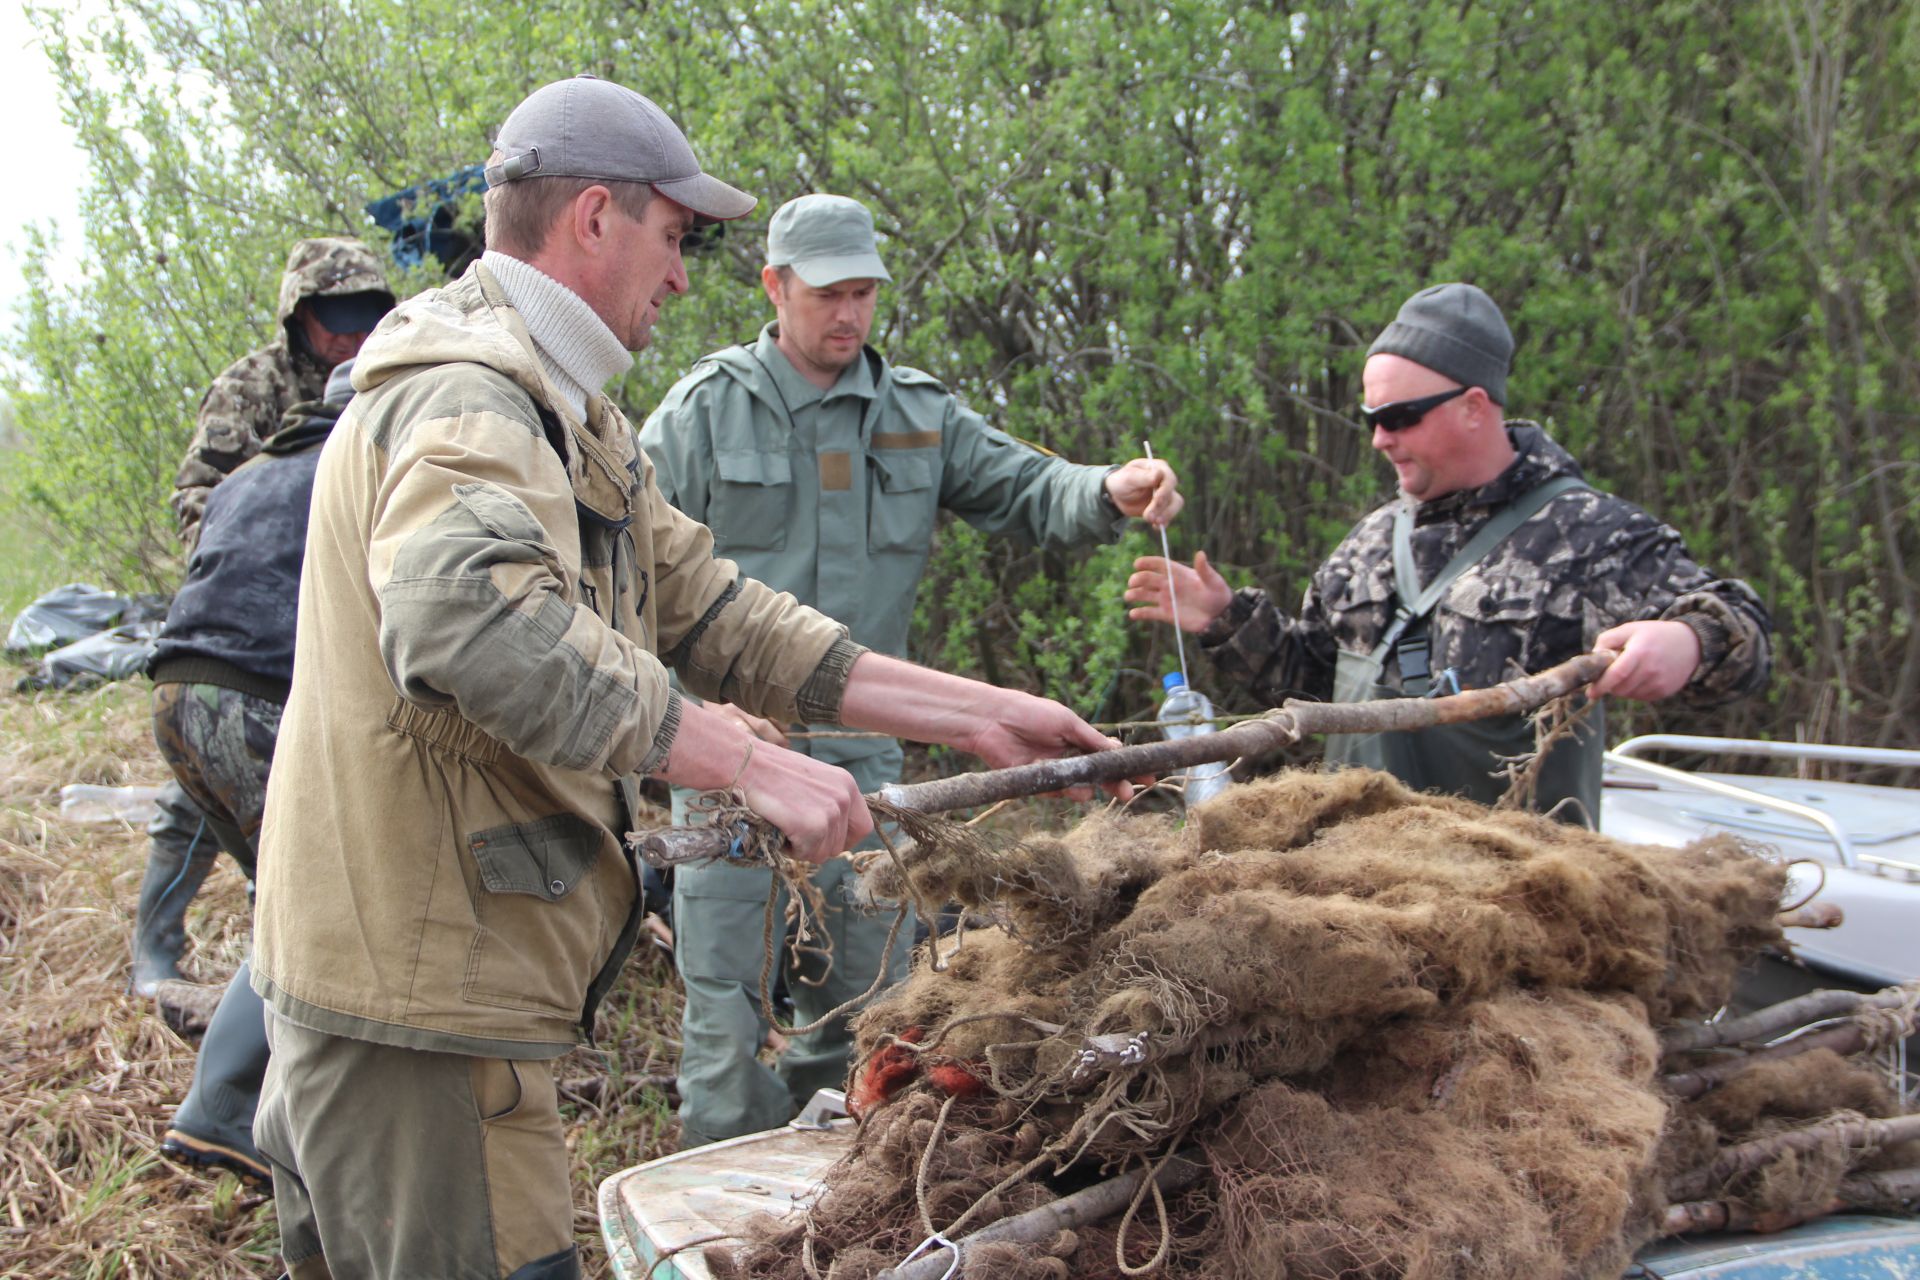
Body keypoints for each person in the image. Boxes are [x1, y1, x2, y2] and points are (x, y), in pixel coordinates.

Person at [248, 77, 1129, 1280]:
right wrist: (745, 758)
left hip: (432, 988)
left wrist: (980, 713)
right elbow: (471, 615)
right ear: (594, 217)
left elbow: (719, 612)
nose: (679, 275)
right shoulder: (472, 389)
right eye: (673, 237)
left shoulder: (569, 412)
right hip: (417, 995)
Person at [639, 192, 1183, 1149]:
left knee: (864, 1024)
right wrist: (687, 724)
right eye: (826, 294)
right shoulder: (701, 413)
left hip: (867, 779)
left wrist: (1108, 489)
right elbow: (629, 577)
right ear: (774, 287)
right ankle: (720, 1219)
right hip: (732, 771)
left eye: (863, 293)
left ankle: (834, 1217)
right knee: (723, 1029)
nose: (848, 315)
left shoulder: (915, 413)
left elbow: (1025, 485)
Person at [1125, 283, 1771, 822]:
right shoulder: (1370, 544)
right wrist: (1226, 620)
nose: (1379, 439)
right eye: (1369, 417)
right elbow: (1319, 687)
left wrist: (1687, 643)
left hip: (1520, 917)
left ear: (1473, 407)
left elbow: (1737, 629)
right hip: (1360, 905)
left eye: (1401, 416)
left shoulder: (1588, 537)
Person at [130, 239, 394, 999]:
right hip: (247, 630)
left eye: (364, 317)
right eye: (334, 319)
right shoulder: (253, 386)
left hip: (326, 636)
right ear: (299, 318)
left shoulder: (385, 385)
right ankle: (161, 959)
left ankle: (267, 989)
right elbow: (200, 500)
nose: (350, 335)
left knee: (287, 841)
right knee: (202, 800)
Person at [146, 360, 358, 1185]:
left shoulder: (254, 469)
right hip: (259, 699)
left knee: (287, 895)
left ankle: (264, 1102)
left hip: (176, 696)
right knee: (314, 902)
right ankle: (226, 1109)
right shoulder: (357, 464)